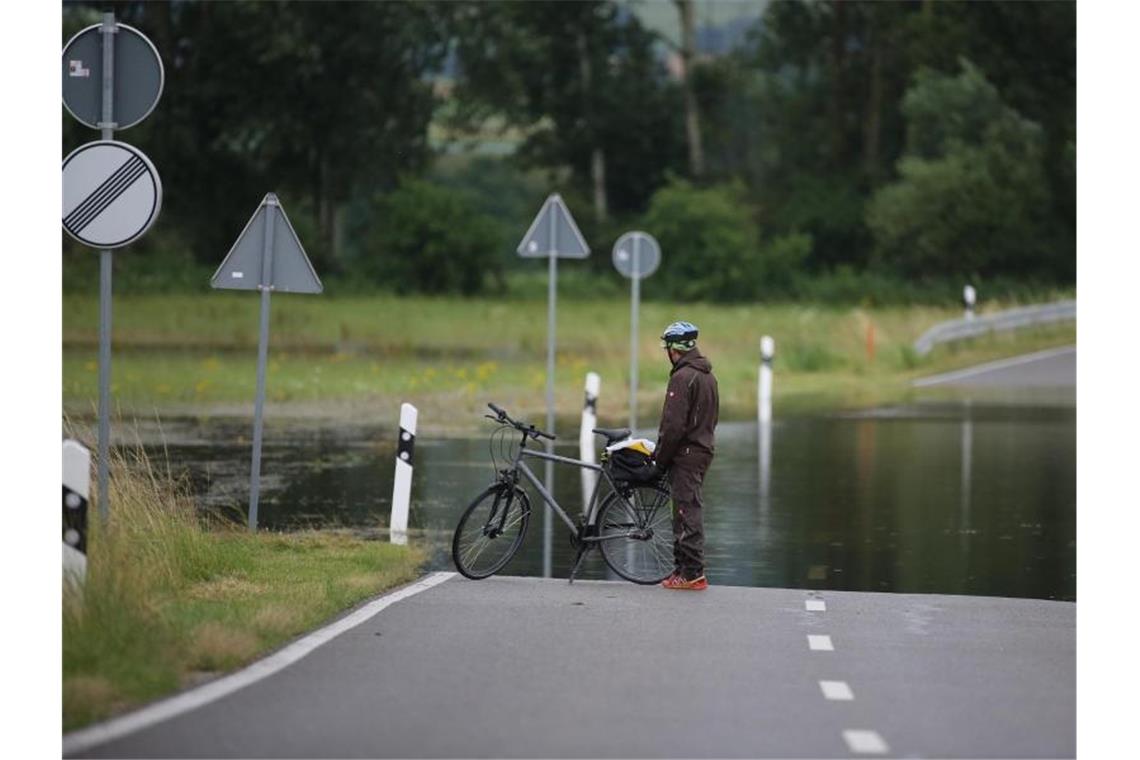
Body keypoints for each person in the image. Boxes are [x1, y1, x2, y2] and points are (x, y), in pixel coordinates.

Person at [653, 321, 719, 590]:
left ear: (674, 349)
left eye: (667, 346)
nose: (666, 351)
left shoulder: (682, 378)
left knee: (686, 510)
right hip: (702, 450)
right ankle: (682, 570)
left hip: (687, 454)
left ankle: (692, 573)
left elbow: (673, 427)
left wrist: (658, 460)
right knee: (685, 508)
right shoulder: (707, 376)